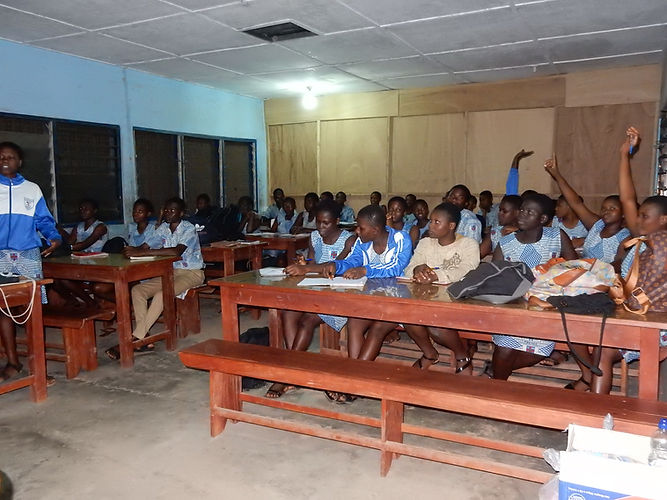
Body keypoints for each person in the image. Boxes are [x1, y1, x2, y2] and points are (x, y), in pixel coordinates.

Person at [307, 205, 413, 402]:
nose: (357, 231)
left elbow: (397, 267)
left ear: (375, 229)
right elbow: (351, 260)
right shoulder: (362, 242)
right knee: (354, 320)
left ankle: (353, 384)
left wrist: (365, 270)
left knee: (376, 328)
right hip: (370, 301)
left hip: (396, 303)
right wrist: (335, 266)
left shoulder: (401, 239)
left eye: (361, 228)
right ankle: (352, 380)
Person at [591, 127, 667, 394]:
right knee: (594, 344)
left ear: (664, 220)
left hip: (654, 324)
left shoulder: (661, 243)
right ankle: (591, 401)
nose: (638, 220)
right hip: (632, 316)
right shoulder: (647, 240)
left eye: (645, 216)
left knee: (601, 348)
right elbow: (627, 199)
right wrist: (624, 154)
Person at [270, 200, 356, 398]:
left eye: (326, 223)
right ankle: (297, 367)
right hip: (315, 291)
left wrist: (307, 268)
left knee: (307, 320)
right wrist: (304, 263)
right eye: (318, 222)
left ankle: (287, 375)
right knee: (288, 312)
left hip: (339, 297)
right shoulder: (314, 237)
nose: (321, 227)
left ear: (337, 221)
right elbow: (313, 262)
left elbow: (336, 266)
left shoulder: (348, 240)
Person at [490, 193, 577, 380]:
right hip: (513, 307)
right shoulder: (506, 243)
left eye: (529, 212)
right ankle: (496, 384)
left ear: (543, 219)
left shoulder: (556, 236)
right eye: (521, 210)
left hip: (546, 308)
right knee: (505, 349)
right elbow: (495, 276)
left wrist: (552, 277)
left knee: (539, 351)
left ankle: (494, 375)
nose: (521, 215)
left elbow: (574, 269)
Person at [106, 197, 204, 359]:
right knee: (138, 290)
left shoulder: (189, 228)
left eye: (173, 210)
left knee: (161, 295)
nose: (168, 213)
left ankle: (135, 339)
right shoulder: (164, 228)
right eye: (166, 210)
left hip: (192, 273)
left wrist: (141, 252)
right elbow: (145, 246)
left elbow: (175, 252)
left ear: (181, 213)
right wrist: (131, 250)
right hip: (169, 273)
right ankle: (144, 339)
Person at [0, 142, 61, 382]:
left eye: (11, 156)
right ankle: (13, 362)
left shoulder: (32, 189)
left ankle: (39, 370)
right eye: (1, 156)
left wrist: (54, 237)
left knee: (32, 310)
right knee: (3, 308)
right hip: (0, 256)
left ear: (20, 161)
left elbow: (44, 220)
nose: (5, 159)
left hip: (27, 254)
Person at [398, 203, 480, 372]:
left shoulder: (468, 244)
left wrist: (436, 275)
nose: (430, 225)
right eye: (431, 221)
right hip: (424, 299)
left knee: (436, 325)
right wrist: (417, 269)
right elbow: (409, 267)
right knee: (408, 318)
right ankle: (429, 353)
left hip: (455, 300)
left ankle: (461, 355)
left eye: (437, 222)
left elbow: (468, 269)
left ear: (451, 226)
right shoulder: (425, 243)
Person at [545, 157, 630, 265]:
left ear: (623, 213)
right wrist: (556, 174)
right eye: (603, 208)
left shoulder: (625, 237)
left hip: (603, 279)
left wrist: (590, 270)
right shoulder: (597, 225)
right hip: (581, 272)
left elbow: (619, 264)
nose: (606, 211)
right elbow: (575, 203)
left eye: (612, 209)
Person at [91, 198, 157, 305]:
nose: (135, 214)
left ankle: (133, 304)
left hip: (146, 271)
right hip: (129, 269)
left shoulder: (154, 229)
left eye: (140, 212)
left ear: (148, 213)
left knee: (111, 286)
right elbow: (129, 249)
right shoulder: (132, 228)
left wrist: (131, 251)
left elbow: (143, 248)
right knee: (98, 287)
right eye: (134, 211)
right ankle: (130, 303)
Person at [54, 198, 109, 307]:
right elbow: (70, 241)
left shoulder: (100, 226)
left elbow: (86, 244)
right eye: (81, 209)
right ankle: (74, 301)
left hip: (97, 264)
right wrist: (60, 230)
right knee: (56, 280)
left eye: (86, 209)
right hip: (80, 263)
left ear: (94, 211)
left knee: (64, 279)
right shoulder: (78, 226)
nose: (83, 211)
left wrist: (65, 249)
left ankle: (90, 303)